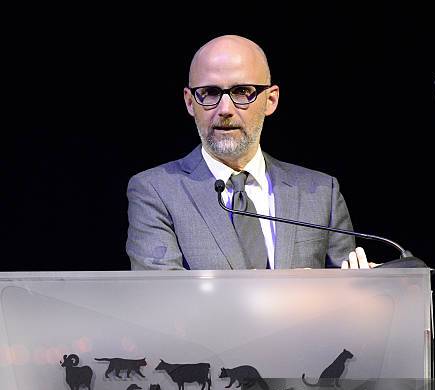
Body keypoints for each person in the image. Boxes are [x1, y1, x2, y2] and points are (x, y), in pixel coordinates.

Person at [126, 34, 371, 270]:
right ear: (190, 102)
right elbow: (163, 297)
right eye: (210, 93)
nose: (225, 109)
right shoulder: (156, 191)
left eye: (242, 91)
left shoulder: (320, 193)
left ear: (271, 100)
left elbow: (346, 297)